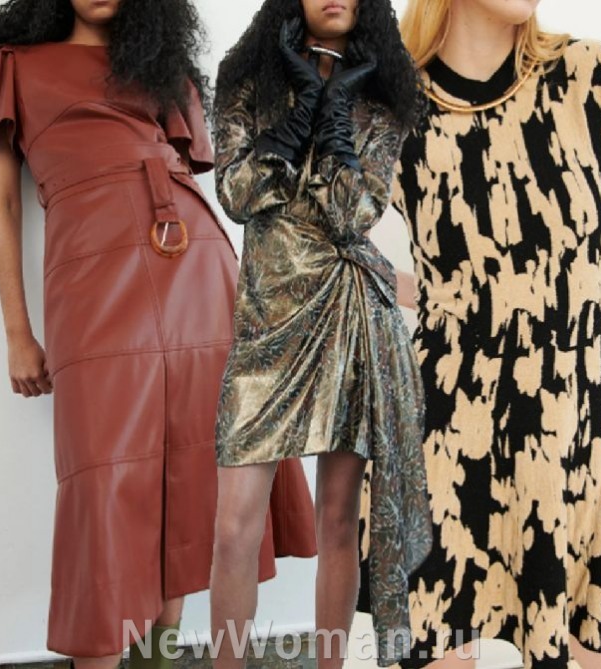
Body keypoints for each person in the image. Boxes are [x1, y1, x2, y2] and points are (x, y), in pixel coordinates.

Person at [0, 1, 317, 668]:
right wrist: (17, 331)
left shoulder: (158, 66)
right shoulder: (13, 66)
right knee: (102, 484)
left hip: (194, 269)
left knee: (189, 476)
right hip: (90, 279)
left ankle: (158, 660)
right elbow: (4, 201)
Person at [357, 0, 601, 667]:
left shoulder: (597, 76)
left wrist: (595, 296)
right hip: (441, 439)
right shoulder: (388, 108)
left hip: (573, 432)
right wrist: (422, 294)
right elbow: (314, 239)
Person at [210, 0, 433, 667]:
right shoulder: (246, 82)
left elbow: (353, 214)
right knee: (233, 528)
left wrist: (336, 112)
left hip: (350, 314)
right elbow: (238, 196)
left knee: (338, 519)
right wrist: (300, 110)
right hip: (266, 325)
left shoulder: (384, 98)